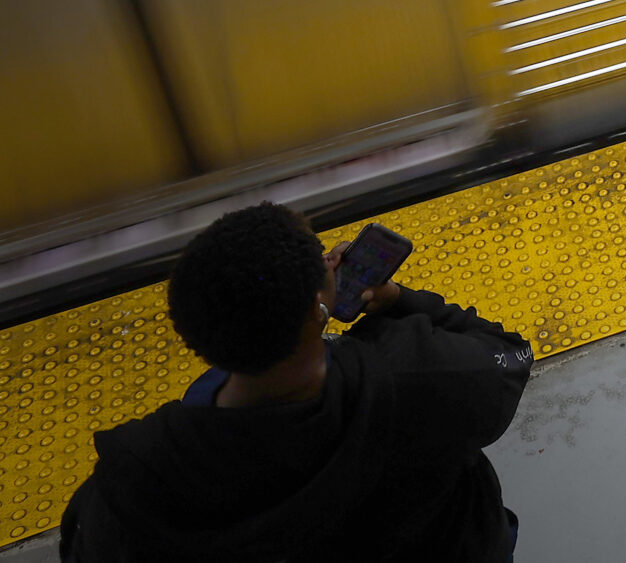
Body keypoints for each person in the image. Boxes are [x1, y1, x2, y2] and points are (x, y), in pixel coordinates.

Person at [62, 203, 532, 562]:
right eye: (321, 257)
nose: (330, 259)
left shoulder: (135, 481)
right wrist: (397, 301)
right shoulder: (421, 374)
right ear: (317, 309)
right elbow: (510, 354)